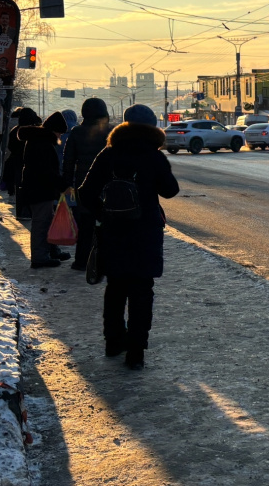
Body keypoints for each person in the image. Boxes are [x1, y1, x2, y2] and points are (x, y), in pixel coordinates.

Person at [78, 104, 180, 370]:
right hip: (145, 233)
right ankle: (136, 352)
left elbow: (85, 193)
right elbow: (170, 191)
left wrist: (105, 213)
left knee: (115, 288)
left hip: (113, 232)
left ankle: (113, 342)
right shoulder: (153, 155)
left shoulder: (108, 153)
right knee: (142, 291)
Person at [61, 98, 110, 271]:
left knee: (85, 224)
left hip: (83, 184)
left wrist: (67, 182)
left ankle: (81, 261)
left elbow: (68, 160)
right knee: (107, 223)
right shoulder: (110, 131)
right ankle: (104, 261)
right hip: (108, 184)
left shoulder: (76, 132)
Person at [18, 112, 69, 268]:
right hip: (39, 189)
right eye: (60, 132)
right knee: (41, 223)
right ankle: (40, 258)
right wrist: (62, 185)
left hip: (37, 188)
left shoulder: (38, 140)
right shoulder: (43, 143)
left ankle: (52, 250)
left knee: (48, 220)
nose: (60, 135)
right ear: (54, 130)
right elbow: (47, 171)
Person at [4, 107, 41, 218]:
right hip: (33, 164)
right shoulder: (37, 130)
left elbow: (10, 146)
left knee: (19, 186)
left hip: (18, 162)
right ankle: (30, 211)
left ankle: (21, 212)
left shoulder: (15, 130)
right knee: (32, 187)